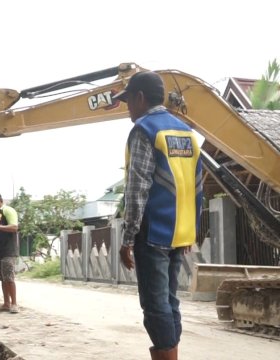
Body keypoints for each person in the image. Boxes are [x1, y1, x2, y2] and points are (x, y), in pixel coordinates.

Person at [114, 71, 202, 360]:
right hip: (179, 233)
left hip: (152, 234)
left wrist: (128, 238)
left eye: (128, 101)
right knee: (170, 300)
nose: (128, 108)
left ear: (140, 98)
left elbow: (137, 189)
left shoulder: (144, 129)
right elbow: (196, 185)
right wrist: (191, 230)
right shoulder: (187, 132)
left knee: (154, 305)